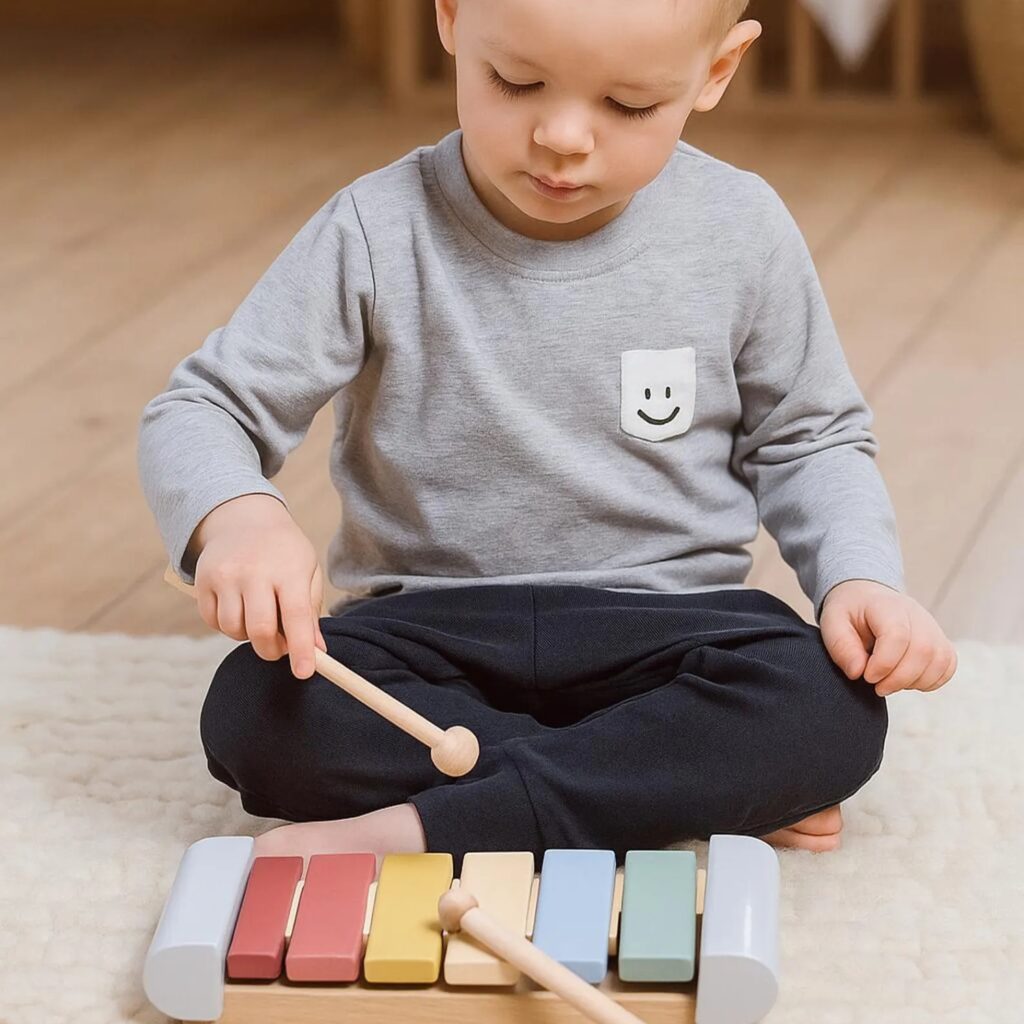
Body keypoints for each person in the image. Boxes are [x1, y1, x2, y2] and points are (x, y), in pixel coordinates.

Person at [137, 0, 958, 875]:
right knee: (256, 712)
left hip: (668, 629)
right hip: (431, 631)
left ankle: (432, 825)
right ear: (451, 19)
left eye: (629, 106)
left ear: (716, 70)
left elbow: (811, 440)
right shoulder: (374, 229)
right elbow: (205, 407)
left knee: (829, 710)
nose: (564, 137)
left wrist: (859, 576)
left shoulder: (742, 228)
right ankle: (660, 783)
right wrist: (237, 518)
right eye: (516, 82)